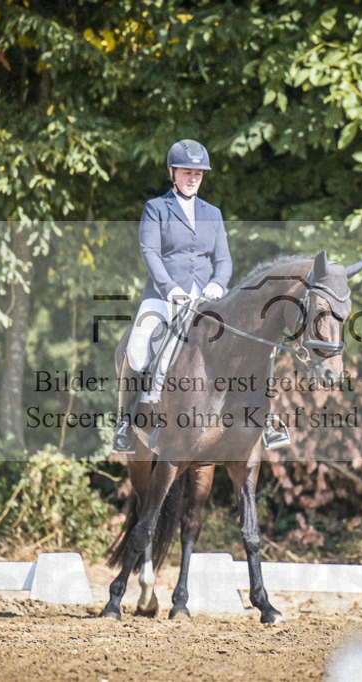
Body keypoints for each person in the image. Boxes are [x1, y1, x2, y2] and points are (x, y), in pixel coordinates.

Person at [112, 139, 231, 453]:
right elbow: (150, 252)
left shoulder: (213, 212)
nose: (193, 178)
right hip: (164, 295)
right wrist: (171, 290)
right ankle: (125, 421)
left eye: (199, 174)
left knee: (247, 341)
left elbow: (224, 259)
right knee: (137, 348)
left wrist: (218, 283)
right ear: (172, 172)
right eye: (187, 172)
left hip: (208, 297)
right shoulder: (156, 208)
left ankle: (266, 418)